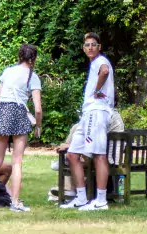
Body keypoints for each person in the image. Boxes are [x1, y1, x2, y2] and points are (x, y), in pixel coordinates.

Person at [0, 44, 44, 212]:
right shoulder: (32, 76)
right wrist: (38, 126)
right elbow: (37, 109)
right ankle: (14, 203)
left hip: (3, 112)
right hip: (19, 113)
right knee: (17, 162)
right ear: (33, 59)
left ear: (19, 56)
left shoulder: (7, 72)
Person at [61, 32, 117, 211]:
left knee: (99, 154)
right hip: (87, 114)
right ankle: (81, 198)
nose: (90, 47)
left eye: (94, 44)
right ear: (83, 48)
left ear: (99, 47)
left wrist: (97, 90)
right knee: (72, 154)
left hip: (97, 111)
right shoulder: (94, 64)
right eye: (87, 45)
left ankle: (101, 201)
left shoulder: (102, 61)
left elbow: (105, 72)